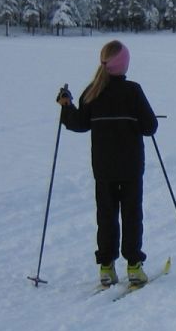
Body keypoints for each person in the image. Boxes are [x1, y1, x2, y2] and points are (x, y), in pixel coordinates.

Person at [56, 40, 158, 287]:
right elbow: (150, 126)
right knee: (132, 214)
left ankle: (106, 268)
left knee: (106, 216)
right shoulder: (133, 91)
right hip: (131, 167)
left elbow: (79, 123)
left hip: (103, 168)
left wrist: (66, 105)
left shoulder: (92, 91)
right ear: (123, 65)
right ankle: (134, 267)